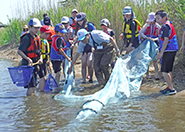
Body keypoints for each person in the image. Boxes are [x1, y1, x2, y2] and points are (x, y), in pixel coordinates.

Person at [154, 10, 178, 95]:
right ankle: (169, 87)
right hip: (172, 49)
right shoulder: (168, 24)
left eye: (158, 18)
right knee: (168, 70)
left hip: (168, 50)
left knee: (164, 71)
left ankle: (171, 89)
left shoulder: (165, 26)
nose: (156, 20)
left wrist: (161, 53)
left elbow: (166, 40)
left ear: (164, 18)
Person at [17, 18, 42, 96]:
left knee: (34, 85)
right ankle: (29, 104)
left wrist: (40, 58)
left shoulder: (37, 37)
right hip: (28, 65)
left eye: (38, 28)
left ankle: (32, 102)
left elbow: (39, 51)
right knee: (30, 86)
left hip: (35, 63)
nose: (36, 30)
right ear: (30, 27)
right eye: (35, 28)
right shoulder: (26, 38)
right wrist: (28, 59)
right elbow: (19, 51)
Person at [74, 12, 96, 83]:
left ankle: (91, 79)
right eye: (78, 21)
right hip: (83, 47)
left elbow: (94, 35)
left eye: (81, 21)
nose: (79, 22)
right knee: (83, 64)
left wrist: (93, 47)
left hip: (90, 46)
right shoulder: (78, 27)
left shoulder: (90, 26)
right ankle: (83, 80)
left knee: (89, 64)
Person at [140, 12, 161, 80]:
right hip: (147, 44)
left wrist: (155, 39)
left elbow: (160, 36)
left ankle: (156, 74)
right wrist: (146, 37)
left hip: (154, 44)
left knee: (155, 59)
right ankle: (147, 74)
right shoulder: (146, 25)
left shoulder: (158, 26)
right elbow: (141, 33)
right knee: (147, 59)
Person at [38, 25, 52, 92]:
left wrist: (48, 60)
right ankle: (41, 91)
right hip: (40, 61)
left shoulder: (45, 41)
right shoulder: (39, 41)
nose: (47, 35)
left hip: (45, 60)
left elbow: (47, 52)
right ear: (41, 33)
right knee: (42, 77)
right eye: (46, 34)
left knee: (45, 76)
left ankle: (41, 89)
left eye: (48, 33)